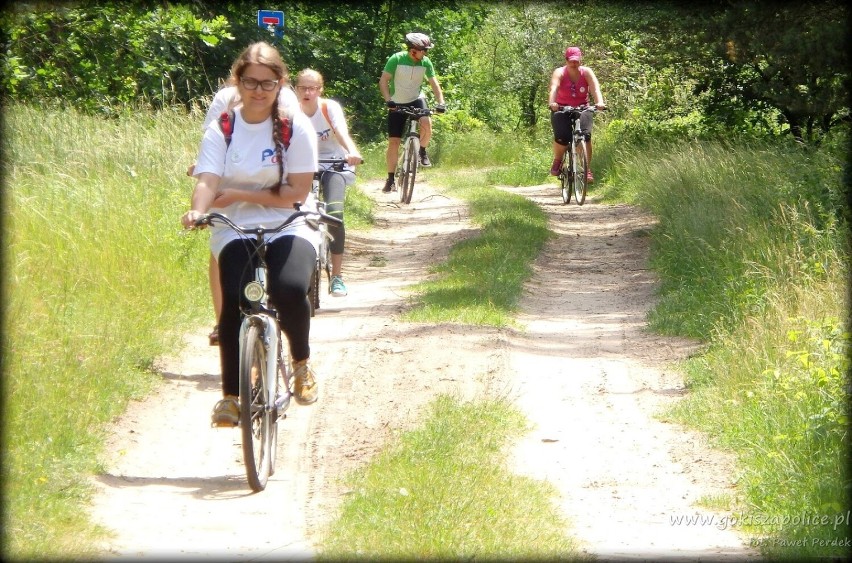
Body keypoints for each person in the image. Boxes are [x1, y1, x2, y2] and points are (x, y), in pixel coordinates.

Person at [181, 41, 321, 426]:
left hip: (290, 221)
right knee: (234, 305)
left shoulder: (295, 128)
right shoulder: (222, 127)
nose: (258, 91)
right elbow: (208, 178)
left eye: (267, 83)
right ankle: (230, 397)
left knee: (289, 287)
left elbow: (296, 193)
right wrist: (199, 208)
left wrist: (238, 194)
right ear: (237, 83)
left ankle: (300, 363)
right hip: (237, 224)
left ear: (281, 85)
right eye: (250, 82)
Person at [188, 78, 300, 346]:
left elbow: (296, 145)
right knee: (219, 253)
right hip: (228, 197)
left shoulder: (286, 99)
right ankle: (222, 322)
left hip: (274, 196)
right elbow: (211, 146)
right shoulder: (224, 100)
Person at [294, 68, 363, 297]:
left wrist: (351, 151)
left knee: (334, 213)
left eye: (312, 88)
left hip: (335, 163)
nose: (307, 92)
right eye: (303, 87)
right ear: (296, 89)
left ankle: (337, 276)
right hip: (304, 166)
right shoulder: (290, 110)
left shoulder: (328, 108)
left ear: (320, 90)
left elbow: (342, 132)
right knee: (292, 213)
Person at [378, 32, 446, 193]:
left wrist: (441, 102)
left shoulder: (426, 62)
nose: (426, 53)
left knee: (427, 124)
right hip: (397, 101)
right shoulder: (396, 59)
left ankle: (421, 150)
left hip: (416, 98)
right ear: (413, 50)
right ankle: (390, 179)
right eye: (424, 50)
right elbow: (383, 81)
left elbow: (434, 85)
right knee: (394, 142)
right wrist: (389, 100)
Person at [547, 46, 606, 182]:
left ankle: (586, 168)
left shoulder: (586, 72)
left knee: (585, 137)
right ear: (566, 60)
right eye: (571, 61)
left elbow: (595, 89)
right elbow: (554, 88)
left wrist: (600, 103)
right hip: (561, 108)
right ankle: (557, 160)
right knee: (561, 137)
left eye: (576, 61)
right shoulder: (560, 72)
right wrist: (552, 103)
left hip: (582, 108)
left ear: (580, 60)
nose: (574, 63)